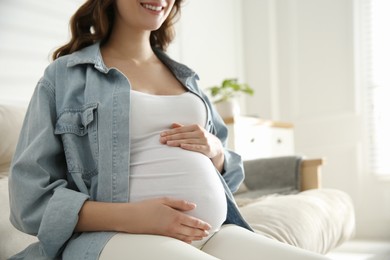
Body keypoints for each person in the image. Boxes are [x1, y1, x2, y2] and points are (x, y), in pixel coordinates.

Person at [8, 0, 330, 259]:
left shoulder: (188, 78)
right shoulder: (65, 77)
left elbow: (229, 175)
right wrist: (136, 217)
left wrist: (216, 153)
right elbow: (30, 200)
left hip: (211, 233)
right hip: (114, 238)